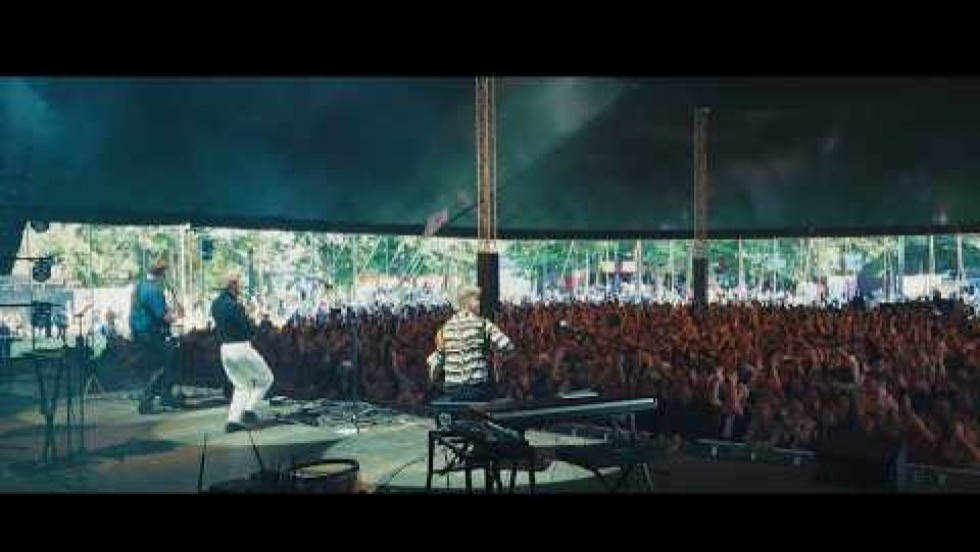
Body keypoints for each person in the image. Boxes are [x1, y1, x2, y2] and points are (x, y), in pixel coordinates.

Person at [426, 285, 514, 402]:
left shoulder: (444, 329)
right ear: (467, 302)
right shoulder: (482, 325)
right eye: (477, 299)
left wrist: (435, 378)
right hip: (478, 389)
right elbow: (508, 346)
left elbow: (436, 361)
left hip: (453, 391)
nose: (479, 303)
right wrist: (497, 357)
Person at [212, 271, 275, 433]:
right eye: (238, 283)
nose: (240, 286)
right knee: (267, 378)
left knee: (241, 386)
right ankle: (249, 409)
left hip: (225, 350)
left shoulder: (215, 304)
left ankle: (233, 420)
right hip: (241, 347)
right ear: (232, 285)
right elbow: (248, 330)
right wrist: (256, 320)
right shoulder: (235, 306)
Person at [131, 258, 180, 414]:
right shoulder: (154, 291)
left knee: (160, 364)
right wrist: (177, 316)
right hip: (152, 334)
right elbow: (163, 316)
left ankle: (165, 397)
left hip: (140, 333)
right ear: (162, 274)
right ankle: (149, 401)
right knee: (164, 364)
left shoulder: (139, 286)